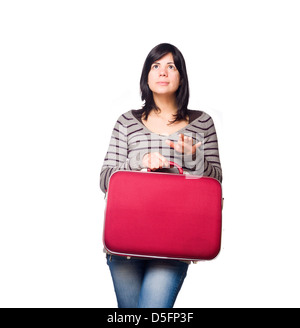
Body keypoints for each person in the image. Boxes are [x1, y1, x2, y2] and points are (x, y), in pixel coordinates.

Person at [100, 43, 222, 308]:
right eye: (156, 66)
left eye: (171, 66)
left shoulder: (202, 122)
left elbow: (215, 184)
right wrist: (140, 160)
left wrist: (192, 156)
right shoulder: (126, 122)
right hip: (125, 242)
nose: (163, 72)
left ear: (181, 77)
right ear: (147, 75)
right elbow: (105, 179)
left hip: (174, 242)